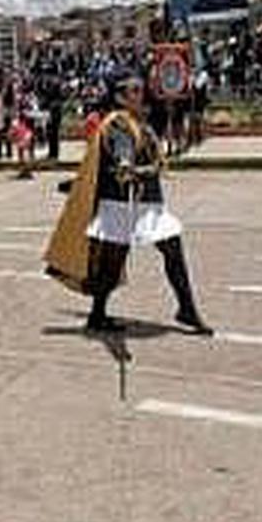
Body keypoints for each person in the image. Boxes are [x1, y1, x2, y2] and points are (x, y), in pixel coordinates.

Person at [44, 78, 212, 335]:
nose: (140, 93)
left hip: (146, 203)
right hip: (123, 204)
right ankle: (97, 315)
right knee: (112, 266)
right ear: (120, 97)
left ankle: (186, 309)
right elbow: (121, 149)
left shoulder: (138, 122)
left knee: (172, 248)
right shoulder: (118, 124)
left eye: (139, 89)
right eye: (133, 90)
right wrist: (125, 165)